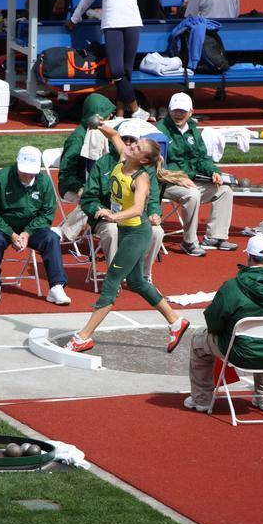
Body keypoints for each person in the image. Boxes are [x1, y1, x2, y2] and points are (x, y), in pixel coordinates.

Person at [64, 123, 189, 353]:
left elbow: (138, 209)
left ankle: (83, 337)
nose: (131, 146)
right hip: (124, 230)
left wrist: (113, 216)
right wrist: (100, 122)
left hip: (135, 232)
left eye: (137, 146)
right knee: (137, 282)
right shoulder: (125, 157)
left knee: (111, 282)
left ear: (142, 160)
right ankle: (176, 321)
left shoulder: (141, 178)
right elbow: (113, 135)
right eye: (132, 143)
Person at [185, 234, 263, 413]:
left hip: (237, 352)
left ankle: (202, 399)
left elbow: (214, 324)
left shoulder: (232, 287)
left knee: (198, 340)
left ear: (248, 257)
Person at [67, 0, 150, 121]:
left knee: (127, 71)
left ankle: (120, 114)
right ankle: (137, 110)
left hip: (132, 21)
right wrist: (75, 18)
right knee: (116, 70)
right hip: (112, 22)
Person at [0, 146, 70, 305]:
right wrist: (11, 234)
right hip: (0, 226)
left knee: (51, 238)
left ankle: (56, 286)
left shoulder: (44, 182)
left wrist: (27, 232)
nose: (27, 175)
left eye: (31, 172)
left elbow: (47, 212)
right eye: (23, 171)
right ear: (17, 164)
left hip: (31, 227)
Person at [80, 120, 164, 282]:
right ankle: (115, 276)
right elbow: (88, 198)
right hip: (107, 218)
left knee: (157, 231)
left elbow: (151, 199)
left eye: (133, 141)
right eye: (125, 139)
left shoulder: (145, 173)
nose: (128, 144)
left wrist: (154, 214)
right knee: (112, 230)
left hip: (133, 218)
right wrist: (100, 210)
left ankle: (143, 275)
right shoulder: (103, 163)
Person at [157, 92, 236, 256]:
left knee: (225, 191)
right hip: (166, 183)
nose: (178, 114)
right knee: (192, 194)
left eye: (183, 111)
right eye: (175, 110)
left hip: (190, 181)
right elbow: (157, 165)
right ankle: (189, 241)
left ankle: (215, 237)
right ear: (169, 110)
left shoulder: (193, 130)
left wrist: (214, 171)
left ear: (191, 112)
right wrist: (179, 178)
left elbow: (202, 158)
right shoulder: (159, 130)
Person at [59, 93, 115, 204]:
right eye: (108, 115)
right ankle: (71, 222)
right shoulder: (77, 139)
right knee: (92, 203)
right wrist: (78, 188)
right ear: (97, 117)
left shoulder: (104, 134)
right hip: (74, 186)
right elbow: (66, 173)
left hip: (98, 183)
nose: (112, 117)